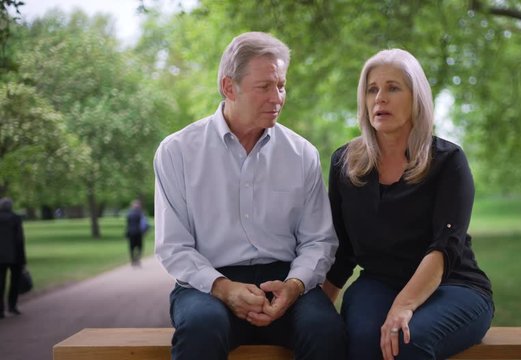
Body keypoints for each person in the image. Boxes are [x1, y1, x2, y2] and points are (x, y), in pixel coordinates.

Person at [154, 32, 346, 360]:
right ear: (229, 87)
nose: (277, 98)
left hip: (286, 281)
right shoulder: (177, 152)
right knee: (201, 328)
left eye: (281, 85)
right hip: (209, 285)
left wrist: (295, 285)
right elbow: (174, 246)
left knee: (326, 331)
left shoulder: (302, 154)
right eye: (264, 87)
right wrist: (224, 288)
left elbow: (318, 241)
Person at [322, 49, 494, 360]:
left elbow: (445, 247)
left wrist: (403, 306)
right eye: (372, 89)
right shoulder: (345, 163)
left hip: (454, 287)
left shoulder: (448, 161)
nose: (380, 98)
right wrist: (316, 311)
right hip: (378, 284)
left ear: (416, 98)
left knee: (407, 341)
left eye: (393, 88)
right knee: (361, 340)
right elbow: (340, 249)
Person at [0, 197, 27, 318]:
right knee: (14, 282)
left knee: (0, 283)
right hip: (15, 256)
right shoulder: (16, 218)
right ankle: (12, 306)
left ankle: (0, 310)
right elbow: (19, 239)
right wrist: (23, 259)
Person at [125, 199, 147, 266]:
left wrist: (126, 233)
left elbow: (127, 225)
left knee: (131, 247)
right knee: (139, 246)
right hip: (138, 233)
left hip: (131, 232)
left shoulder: (129, 213)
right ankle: (137, 259)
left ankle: (133, 260)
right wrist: (145, 231)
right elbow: (144, 224)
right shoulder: (141, 213)